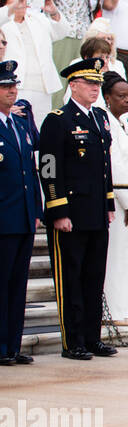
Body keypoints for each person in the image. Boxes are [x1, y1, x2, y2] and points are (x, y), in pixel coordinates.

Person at [39, 56, 118, 358]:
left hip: (96, 211)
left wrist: (108, 202)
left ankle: (92, 337)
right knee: (70, 278)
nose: (95, 88)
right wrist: (58, 210)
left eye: (98, 83)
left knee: (94, 277)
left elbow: (105, 166)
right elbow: (49, 169)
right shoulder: (58, 120)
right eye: (89, 83)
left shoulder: (99, 117)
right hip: (70, 213)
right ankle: (73, 342)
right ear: (73, 85)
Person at [0, 58, 40, 364]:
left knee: (17, 286)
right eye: (5, 87)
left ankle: (13, 345)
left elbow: (31, 170)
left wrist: (36, 210)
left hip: (23, 217)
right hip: (3, 218)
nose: (11, 91)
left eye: (13, 86)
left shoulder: (19, 123)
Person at [100, 72, 128, 326]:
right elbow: (114, 166)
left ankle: (119, 309)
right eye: (121, 96)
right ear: (107, 98)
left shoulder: (124, 123)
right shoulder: (106, 124)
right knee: (113, 256)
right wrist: (127, 201)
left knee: (124, 256)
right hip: (116, 199)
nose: (127, 100)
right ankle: (111, 311)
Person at [2, 0, 66, 126]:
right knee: (17, 127)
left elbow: (62, 33)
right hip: (15, 85)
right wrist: (11, 9)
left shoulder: (37, 19)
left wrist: (54, 12)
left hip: (42, 86)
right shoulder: (3, 22)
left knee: (40, 129)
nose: (19, 3)